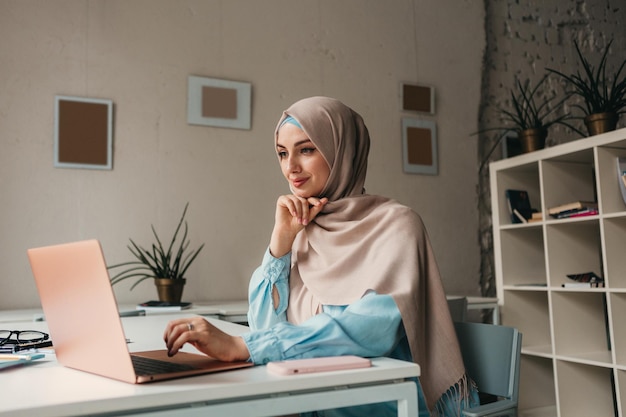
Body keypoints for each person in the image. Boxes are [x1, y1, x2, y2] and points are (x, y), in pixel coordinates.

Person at [164, 96, 477, 416]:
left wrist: (244, 347)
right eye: (283, 154)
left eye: (307, 149)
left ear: (343, 151)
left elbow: (371, 331)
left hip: (378, 403)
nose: (291, 167)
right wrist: (280, 244)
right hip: (307, 396)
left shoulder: (397, 225)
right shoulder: (302, 229)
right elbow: (263, 325)